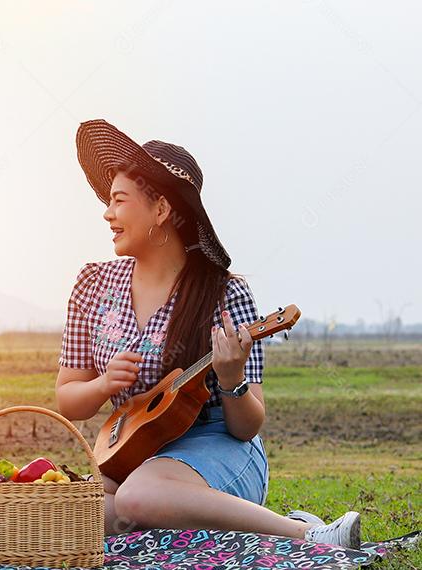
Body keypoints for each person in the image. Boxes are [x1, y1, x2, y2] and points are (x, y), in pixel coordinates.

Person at [55, 119, 361, 548]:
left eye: (119, 201)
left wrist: (233, 380)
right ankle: (183, 524)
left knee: (140, 495)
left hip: (217, 448)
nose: (107, 213)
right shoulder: (93, 285)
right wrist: (105, 383)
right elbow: (67, 398)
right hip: (128, 453)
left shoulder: (225, 294)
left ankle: (308, 534)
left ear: (160, 210)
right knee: (73, 512)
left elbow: (246, 427)